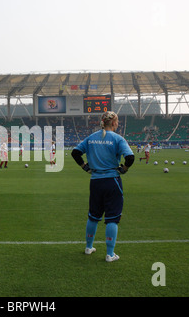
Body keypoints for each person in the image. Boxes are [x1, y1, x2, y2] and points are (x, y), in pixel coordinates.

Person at [71, 111, 134, 263]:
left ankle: (88, 247)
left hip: (96, 181)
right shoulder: (118, 138)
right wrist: (123, 169)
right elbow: (130, 158)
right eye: (117, 122)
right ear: (113, 123)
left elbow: (75, 153)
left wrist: (85, 167)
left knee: (93, 215)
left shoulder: (91, 138)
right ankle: (110, 254)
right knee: (112, 218)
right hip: (112, 180)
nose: (118, 124)